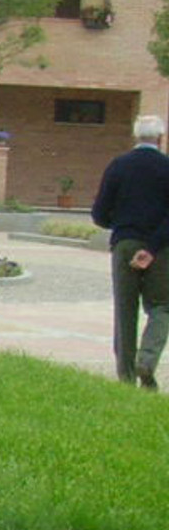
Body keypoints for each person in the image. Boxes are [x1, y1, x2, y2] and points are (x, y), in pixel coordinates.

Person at [90, 112, 169, 387]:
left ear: (135, 136)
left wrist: (122, 226)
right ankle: (146, 360)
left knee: (125, 310)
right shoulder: (166, 167)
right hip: (160, 249)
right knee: (162, 306)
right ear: (160, 138)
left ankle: (126, 378)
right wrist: (153, 246)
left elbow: (99, 213)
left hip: (124, 244)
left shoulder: (118, 166)